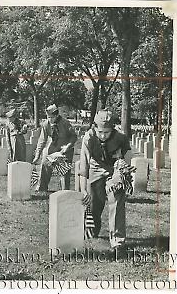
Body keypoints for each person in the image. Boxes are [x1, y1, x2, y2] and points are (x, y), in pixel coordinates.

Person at [79, 109, 131, 253]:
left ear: (113, 129)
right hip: (95, 168)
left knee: (116, 199)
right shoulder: (88, 137)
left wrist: (120, 176)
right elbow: (84, 165)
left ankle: (117, 241)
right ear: (94, 127)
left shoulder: (121, 137)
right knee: (94, 202)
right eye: (100, 132)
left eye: (107, 133)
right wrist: (83, 190)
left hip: (114, 168)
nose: (102, 136)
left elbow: (127, 158)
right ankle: (92, 232)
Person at [32, 104, 77, 191]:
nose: (50, 119)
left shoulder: (65, 123)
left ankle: (65, 191)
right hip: (52, 149)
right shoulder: (46, 124)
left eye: (52, 117)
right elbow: (42, 140)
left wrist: (68, 146)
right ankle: (42, 188)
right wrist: (37, 155)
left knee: (64, 172)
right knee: (45, 165)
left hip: (65, 150)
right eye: (48, 117)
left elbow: (74, 136)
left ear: (57, 115)